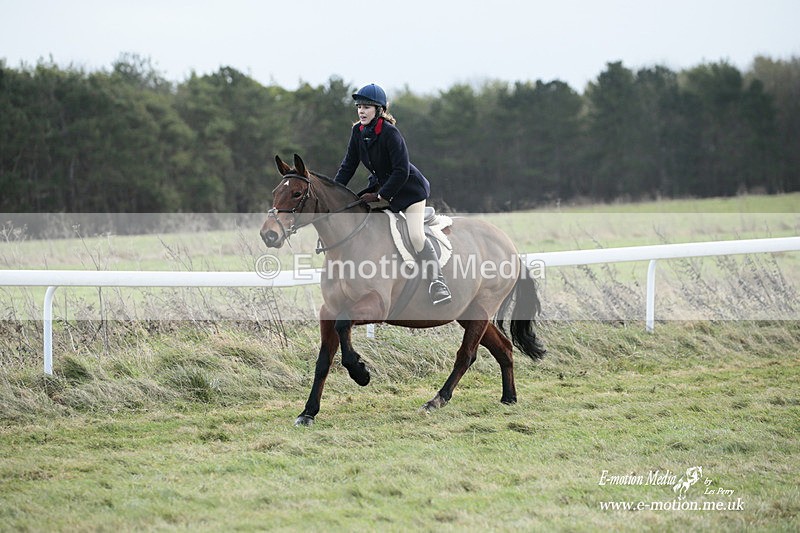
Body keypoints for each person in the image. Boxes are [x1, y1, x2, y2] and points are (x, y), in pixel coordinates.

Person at [334, 83, 452, 306]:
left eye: (367, 107)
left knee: (416, 236)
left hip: (409, 192)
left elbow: (401, 171)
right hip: (381, 188)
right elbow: (348, 166)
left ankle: (438, 282)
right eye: (359, 106)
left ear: (379, 110)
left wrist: (381, 197)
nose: (361, 111)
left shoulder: (390, 133)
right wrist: (334, 192)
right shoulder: (357, 131)